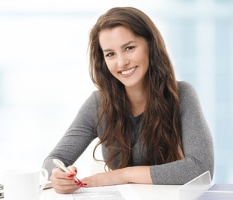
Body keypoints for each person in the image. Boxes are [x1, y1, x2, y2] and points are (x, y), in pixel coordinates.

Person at [42, 6, 214, 194]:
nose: (121, 62)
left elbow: (201, 169)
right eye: (110, 54)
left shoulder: (182, 94)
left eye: (129, 48)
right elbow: (54, 160)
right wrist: (58, 176)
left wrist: (121, 175)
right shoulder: (98, 103)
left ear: (150, 45)